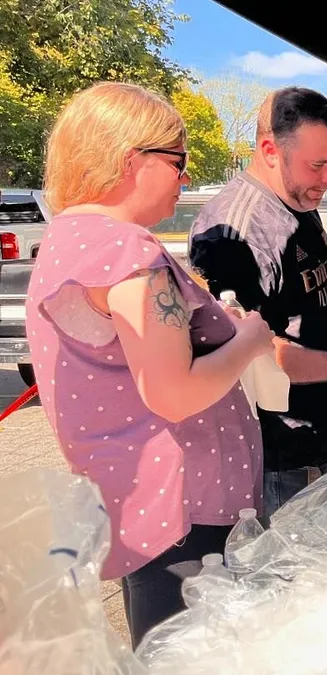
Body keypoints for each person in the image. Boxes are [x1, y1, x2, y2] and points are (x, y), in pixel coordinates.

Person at [28, 82, 275, 646]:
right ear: (131, 159)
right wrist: (251, 339)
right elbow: (173, 393)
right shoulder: (125, 250)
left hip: (140, 509)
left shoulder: (68, 241)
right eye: (178, 160)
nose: (185, 177)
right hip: (184, 511)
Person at [190, 87, 327, 519]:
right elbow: (250, 353)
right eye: (318, 165)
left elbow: (312, 294)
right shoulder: (233, 232)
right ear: (269, 150)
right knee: (297, 575)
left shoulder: (301, 200)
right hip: (282, 455)